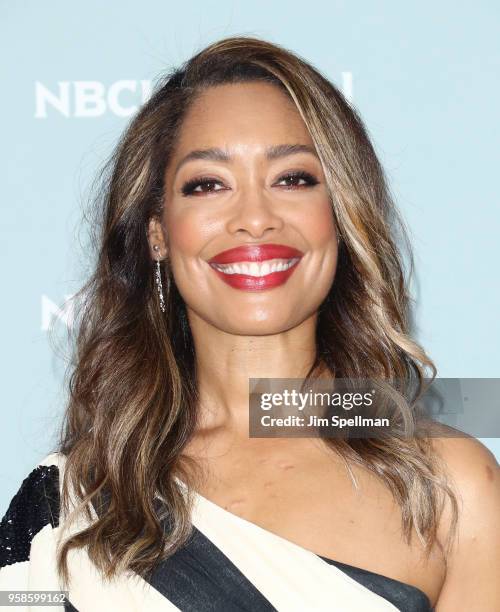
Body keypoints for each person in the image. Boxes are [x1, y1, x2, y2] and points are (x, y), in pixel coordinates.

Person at [1, 36, 499, 612]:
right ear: (157, 233)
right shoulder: (64, 504)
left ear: (340, 216)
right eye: (208, 184)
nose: (256, 219)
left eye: (293, 178)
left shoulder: (449, 487)